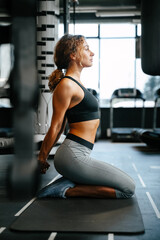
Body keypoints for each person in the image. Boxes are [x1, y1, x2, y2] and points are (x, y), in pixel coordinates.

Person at [37, 34, 135, 199]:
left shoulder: (75, 83)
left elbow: (60, 126)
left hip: (78, 155)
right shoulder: (67, 85)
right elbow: (56, 126)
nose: (92, 53)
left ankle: (68, 182)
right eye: (86, 48)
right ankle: (64, 191)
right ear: (73, 55)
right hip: (73, 155)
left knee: (124, 185)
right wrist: (42, 157)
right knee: (127, 189)